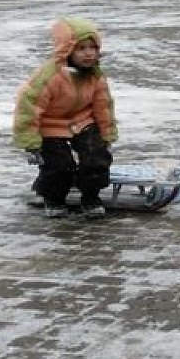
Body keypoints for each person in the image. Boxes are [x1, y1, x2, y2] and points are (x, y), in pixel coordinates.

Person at [13, 17, 118, 218]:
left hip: (82, 122)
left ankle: (90, 196)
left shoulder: (95, 75)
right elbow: (29, 107)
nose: (89, 53)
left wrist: (106, 135)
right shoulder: (49, 76)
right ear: (66, 49)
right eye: (81, 48)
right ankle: (53, 197)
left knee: (96, 156)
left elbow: (103, 105)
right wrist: (30, 141)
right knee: (60, 164)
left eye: (92, 48)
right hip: (50, 124)